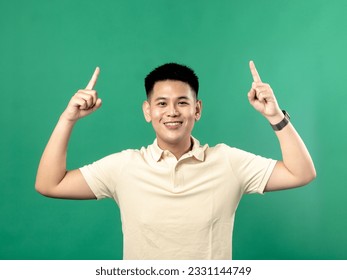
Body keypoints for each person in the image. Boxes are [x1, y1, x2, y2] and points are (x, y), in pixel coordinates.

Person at [35, 61, 316, 260]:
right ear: (148, 111)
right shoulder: (124, 167)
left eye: (182, 102)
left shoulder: (228, 161)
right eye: (161, 103)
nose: (172, 112)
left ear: (197, 109)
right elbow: (51, 184)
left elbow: (300, 173)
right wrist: (67, 118)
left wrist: (275, 116)